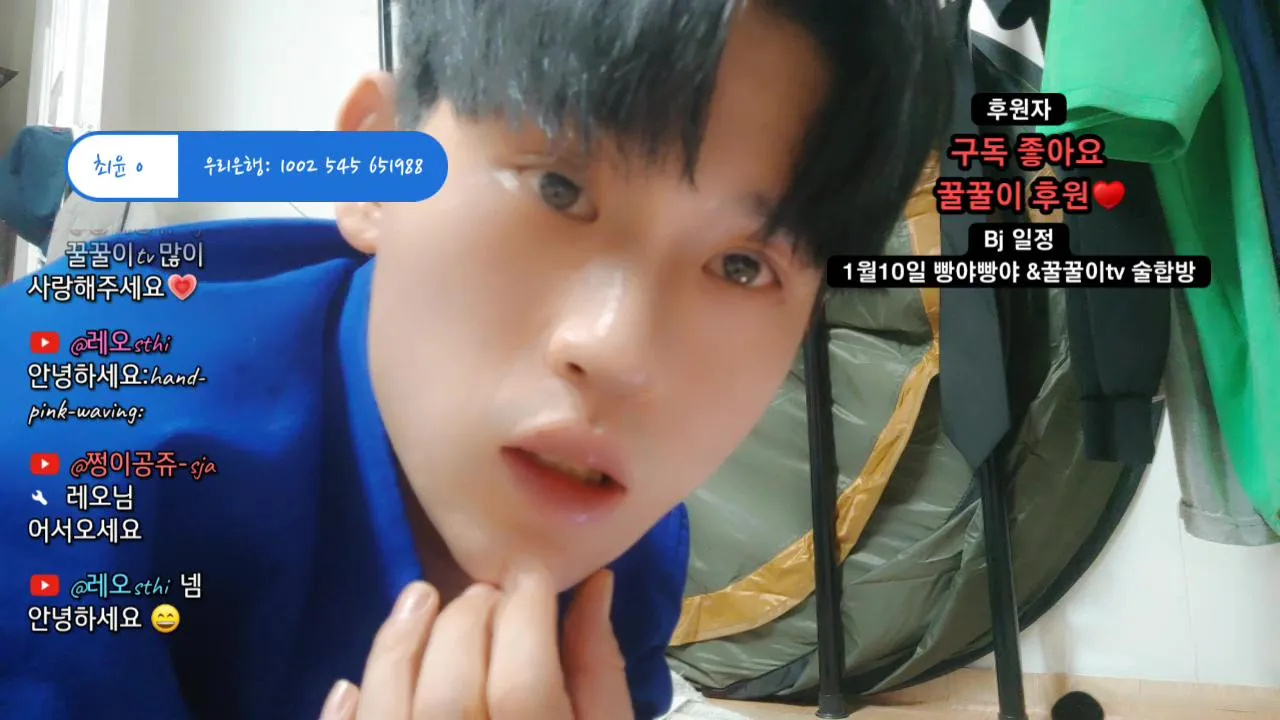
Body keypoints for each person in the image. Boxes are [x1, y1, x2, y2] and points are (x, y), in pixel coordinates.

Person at [0, 0, 950, 717]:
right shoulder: (52, 490)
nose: (619, 352)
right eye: (559, 188)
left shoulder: (610, 516)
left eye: (742, 266)